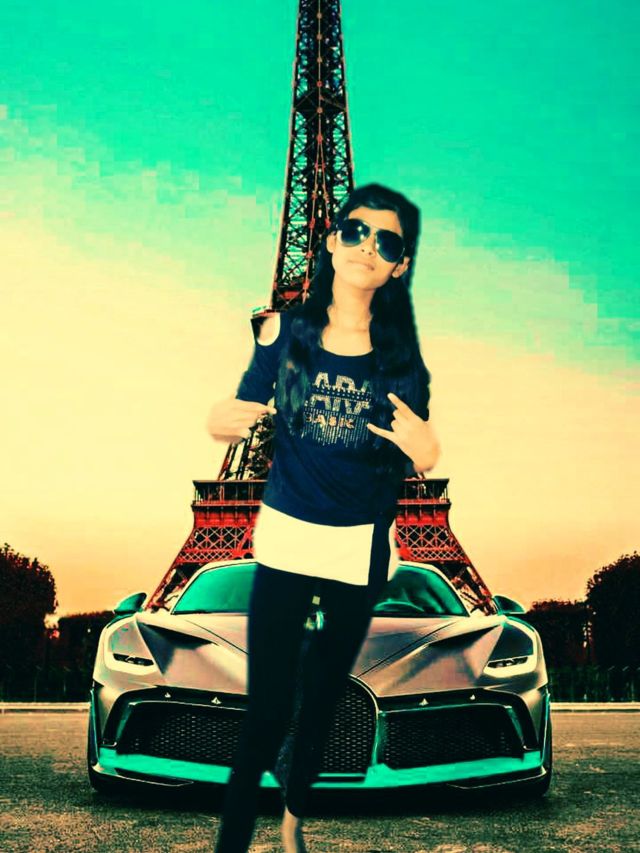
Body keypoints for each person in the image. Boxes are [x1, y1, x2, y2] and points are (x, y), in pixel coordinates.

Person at [206, 182, 441, 852]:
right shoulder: (284, 332)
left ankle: (292, 816)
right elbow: (243, 404)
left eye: (387, 242)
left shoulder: (400, 360)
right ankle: (231, 843)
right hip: (287, 534)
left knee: (322, 701)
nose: (368, 247)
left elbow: (418, 450)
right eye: (356, 231)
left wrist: (427, 447)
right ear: (332, 240)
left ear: (399, 265)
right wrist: (219, 418)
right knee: (267, 706)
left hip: (357, 545)